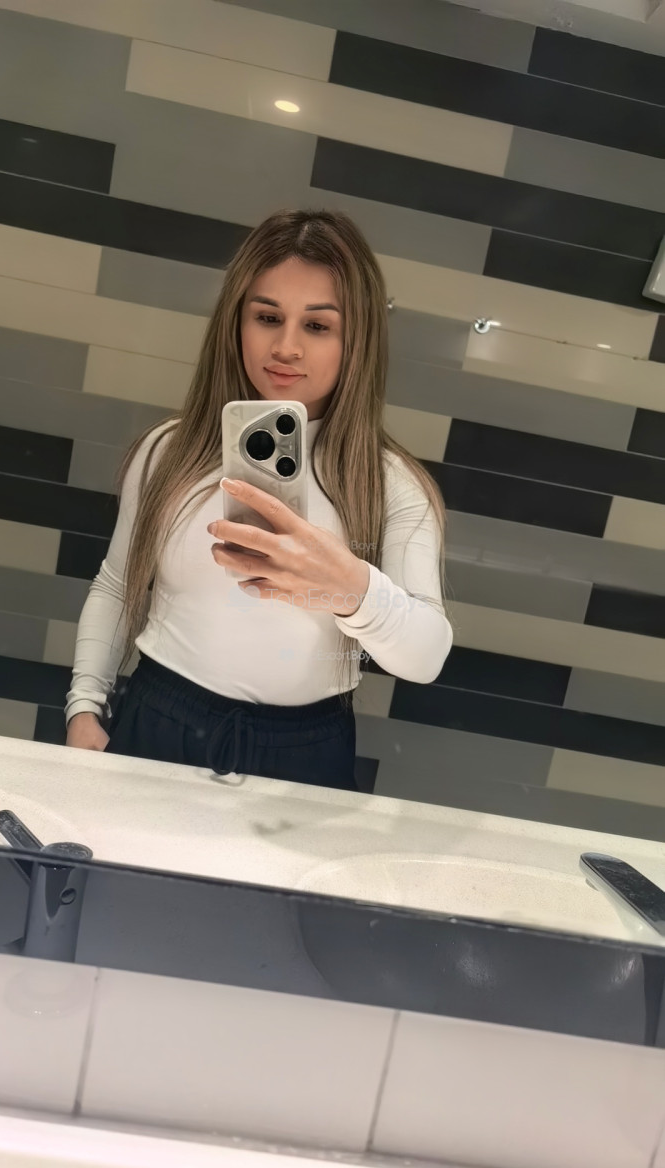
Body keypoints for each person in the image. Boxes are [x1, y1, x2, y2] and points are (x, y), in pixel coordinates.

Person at [64, 208, 453, 791]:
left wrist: (349, 589)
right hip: (158, 716)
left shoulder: (389, 484)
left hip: (306, 748)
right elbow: (117, 584)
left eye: (317, 325)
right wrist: (84, 706)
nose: (286, 347)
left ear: (357, 340)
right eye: (268, 317)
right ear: (236, 322)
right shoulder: (169, 452)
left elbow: (426, 656)